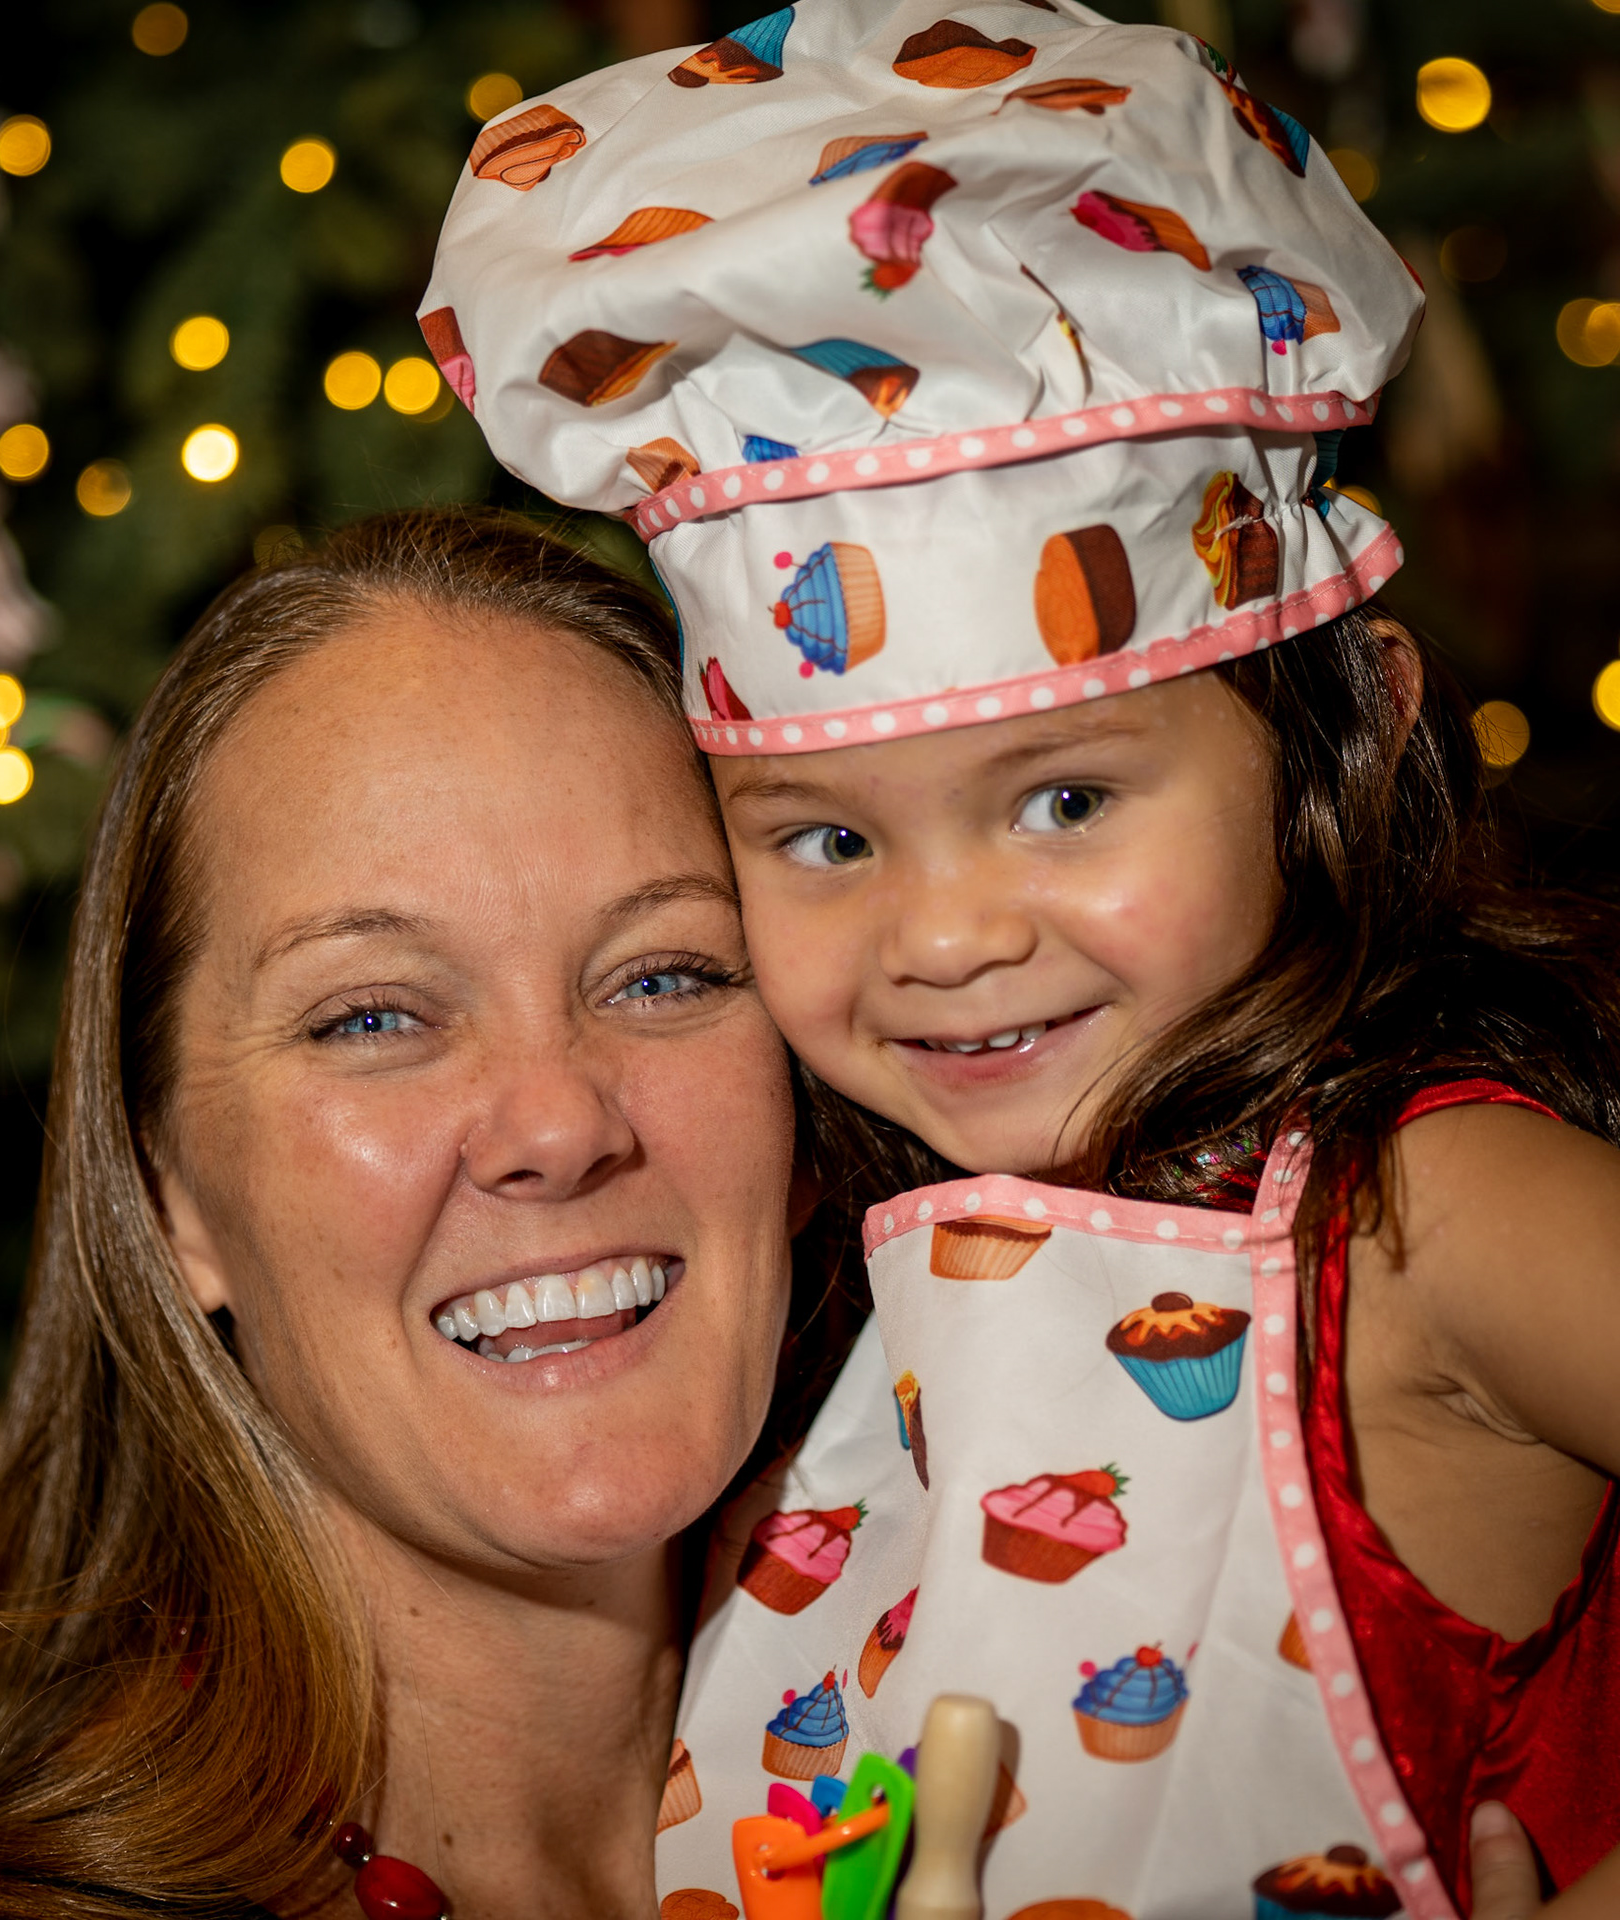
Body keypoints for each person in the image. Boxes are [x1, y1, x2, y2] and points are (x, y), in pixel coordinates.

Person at [426, 4, 1620, 1915]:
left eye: (1065, 800)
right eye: (827, 840)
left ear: (1356, 732)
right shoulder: (811, 1339)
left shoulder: (1422, 1220)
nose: (948, 937)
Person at [0, 509, 821, 1920]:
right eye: (374, 1017)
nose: (559, 1125)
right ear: (170, 1195)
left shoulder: (1021, 1726)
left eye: (663, 977)